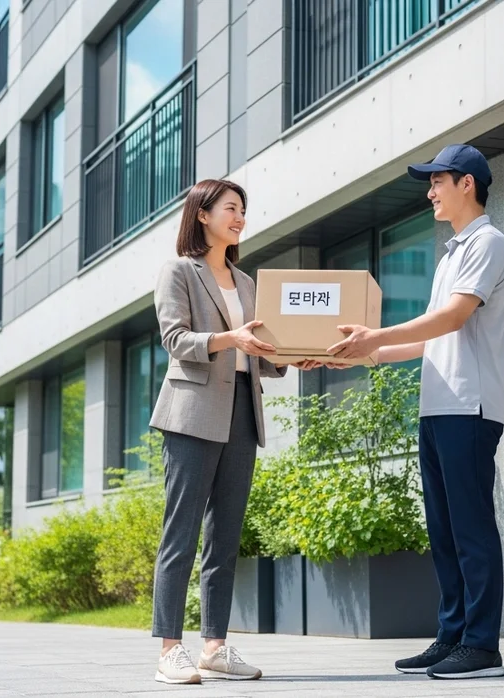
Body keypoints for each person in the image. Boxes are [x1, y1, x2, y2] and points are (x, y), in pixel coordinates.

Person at [327, 144, 504, 680]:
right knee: (445, 532)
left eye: (438, 181)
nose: (430, 191)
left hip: (469, 406)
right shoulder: (452, 251)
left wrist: (375, 335)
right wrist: (368, 353)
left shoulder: (488, 242)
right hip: (439, 406)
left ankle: (482, 647)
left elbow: (452, 318)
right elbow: (432, 336)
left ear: (467, 185)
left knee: (472, 530)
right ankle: (452, 636)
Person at [149, 178, 317, 685]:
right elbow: (177, 340)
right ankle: (170, 649)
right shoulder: (179, 271)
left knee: (224, 537)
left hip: (243, 412)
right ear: (203, 214)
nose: (240, 216)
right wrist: (231, 337)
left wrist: (290, 357)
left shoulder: (246, 284)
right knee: (180, 533)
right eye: (230, 207)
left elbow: (254, 354)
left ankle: (215, 646)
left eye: (243, 208)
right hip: (193, 412)